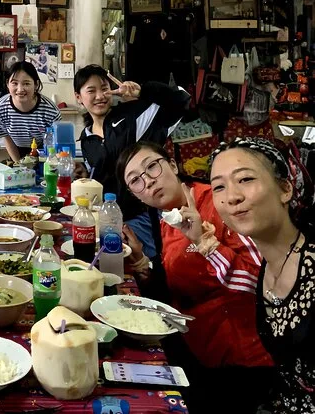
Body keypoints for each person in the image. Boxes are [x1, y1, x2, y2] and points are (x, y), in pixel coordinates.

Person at [116, 141, 274, 413]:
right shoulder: (168, 219)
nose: (148, 181)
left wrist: (205, 243)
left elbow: (263, 284)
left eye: (152, 167)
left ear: (173, 165)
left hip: (240, 361)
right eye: (136, 181)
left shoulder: (219, 201)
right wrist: (141, 263)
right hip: (196, 346)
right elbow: (178, 285)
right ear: (135, 195)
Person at [210, 137, 315, 412]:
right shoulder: (267, 268)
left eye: (245, 179)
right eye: (219, 186)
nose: (232, 197)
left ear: (285, 189)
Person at [75, 64, 191, 259]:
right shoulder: (86, 139)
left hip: (144, 216)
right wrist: (84, 174)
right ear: (78, 97)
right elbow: (102, 176)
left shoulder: (133, 115)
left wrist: (143, 91)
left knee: (144, 267)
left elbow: (181, 100)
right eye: (91, 91)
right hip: (108, 219)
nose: (100, 96)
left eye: (104, 88)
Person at [0, 61, 61, 163]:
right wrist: (18, 164)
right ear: (7, 84)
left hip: (44, 152)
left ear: (36, 84)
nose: (20, 89)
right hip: (16, 151)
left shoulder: (51, 111)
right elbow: (6, 138)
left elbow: (55, 142)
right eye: (14, 83)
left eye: (26, 83)